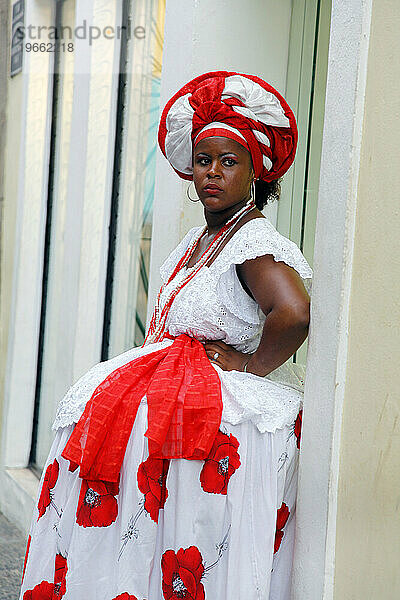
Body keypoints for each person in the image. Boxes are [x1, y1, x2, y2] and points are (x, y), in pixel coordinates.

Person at [19, 71, 312, 600]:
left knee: (193, 540)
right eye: (204, 161)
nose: (213, 174)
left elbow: (292, 312)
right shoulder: (204, 237)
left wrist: (246, 367)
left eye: (229, 162)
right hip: (178, 401)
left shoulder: (253, 242)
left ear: (256, 172)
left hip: (218, 417)